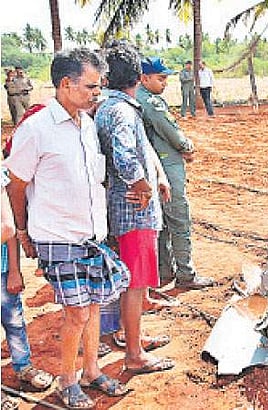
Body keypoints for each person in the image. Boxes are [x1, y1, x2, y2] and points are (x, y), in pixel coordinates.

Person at [5, 48, 130, 409]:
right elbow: (15, 185)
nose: (97, 93)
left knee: (93, 307)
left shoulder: (87, 125)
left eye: (99, 86)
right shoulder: (36, 129)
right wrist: (23, 232)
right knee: (76, 313)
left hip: (91, 236)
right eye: (91, 86)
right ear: (65, 84)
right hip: (57, 238)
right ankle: (67, 380)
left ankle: (91, 371)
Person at [95, 42, 175, 376]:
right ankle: (134, 354)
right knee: (135, 283)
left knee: (131, 282)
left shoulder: (108, 106)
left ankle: (133, 338)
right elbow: (125, 157)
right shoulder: (123, 111)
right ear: (139, 76)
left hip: (120, 208)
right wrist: (142, 184)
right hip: (135, 212)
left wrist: (152, 178)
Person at [137, 57, 216, 289]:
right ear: (144, 78)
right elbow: (171, 132)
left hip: (153, 166)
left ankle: (165, 270)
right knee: (179, 220)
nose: (165, 83)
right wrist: (187, 147)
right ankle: (186, 274)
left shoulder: (138, 98)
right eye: (161, 78)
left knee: (161, 222)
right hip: (166, 166)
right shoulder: (151, 102)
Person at [1, 164, 54, 408]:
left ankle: (23, 367)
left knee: (14, 321)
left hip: (2, 269)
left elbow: (9, 229)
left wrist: (14, 270)